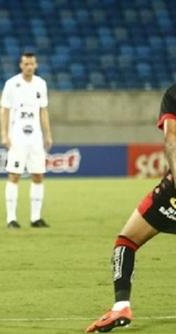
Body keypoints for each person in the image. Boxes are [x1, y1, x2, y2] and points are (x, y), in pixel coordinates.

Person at [85, 84, 176, 332]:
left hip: (173, 193)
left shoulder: (174, 94)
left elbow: (171, 139)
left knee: (127, 241)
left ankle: (121, 306)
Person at [0, 52, 53, 229]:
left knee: (38, 175)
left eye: (32, 64)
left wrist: (47, 134)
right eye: (26, 64)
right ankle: (11, 219)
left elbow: (43, 111)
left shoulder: (41, 84)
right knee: (14, 175)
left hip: (36, 138)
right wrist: (4, 135)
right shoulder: (11, 84)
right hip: (18, 138)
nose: (29, 66)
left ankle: (35, 218)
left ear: (35, 65)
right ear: (21, 65)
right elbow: (4, 110)